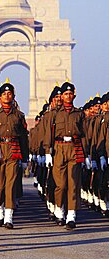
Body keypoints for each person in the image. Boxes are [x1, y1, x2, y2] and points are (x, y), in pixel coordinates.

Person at [44, 82, 86, 230]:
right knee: (60, 185)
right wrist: (47, 152)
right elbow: (49, 134)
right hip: (58, 149)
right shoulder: (54, 114)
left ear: (74, 95)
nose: (68, 96)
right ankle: (59, 209)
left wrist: (85, 155)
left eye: (70, 94)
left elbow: (84, 135)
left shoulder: (79, 113)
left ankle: (71, 215)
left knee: (73, 183)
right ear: (61, 96)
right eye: (65, 94)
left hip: (74, 148)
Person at [0, 81, 28, 228]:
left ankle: (8, 216)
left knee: (11, 184)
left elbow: (23, 138)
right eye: (4, 94)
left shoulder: (19, 115)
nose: (7, 96)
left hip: (13, 149)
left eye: (9, 94)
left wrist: (25, 158)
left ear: (13, 96)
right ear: (0, 97)